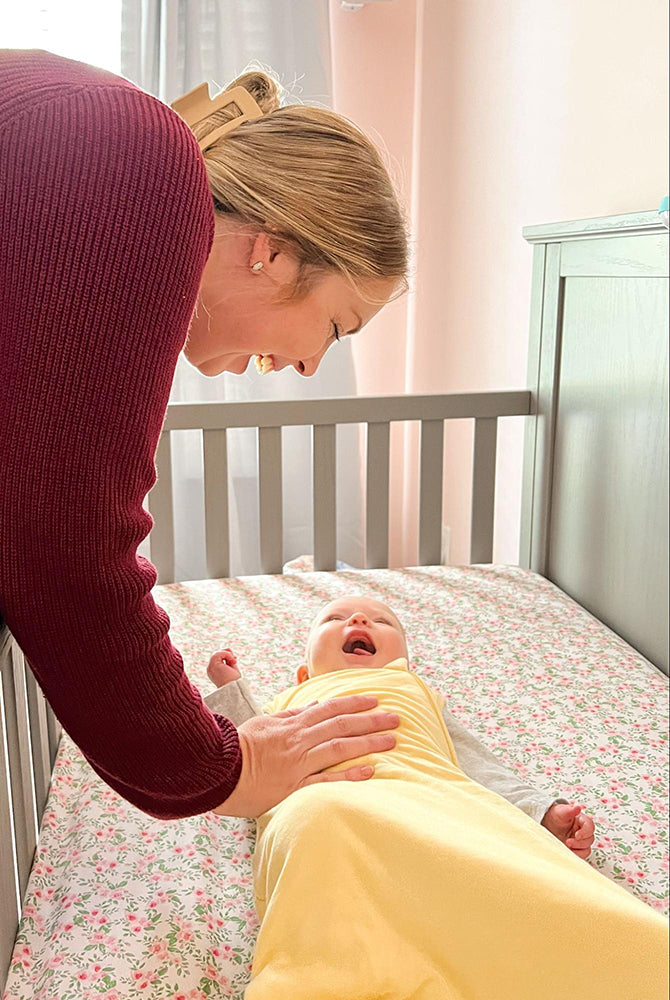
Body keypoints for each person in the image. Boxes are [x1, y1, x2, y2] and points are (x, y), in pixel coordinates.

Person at [0, 48, 407, 820]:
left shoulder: (98, 140)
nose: (313, 365)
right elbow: (65, 542)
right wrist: (219, 768)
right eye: (336, 326)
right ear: (274, 249)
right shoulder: (134, 158)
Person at [203, 596, 668, 999]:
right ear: (306, 671)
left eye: (380, 621)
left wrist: (541, 812)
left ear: (404, 663)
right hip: (328, 798)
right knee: (318, 823)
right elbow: (247, 758)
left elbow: (476, 762)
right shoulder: (291, 699)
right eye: (336, 619)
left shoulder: (412, 689)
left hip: (435, 801)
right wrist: (231, 690)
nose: (360, 622)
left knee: (528, 878)